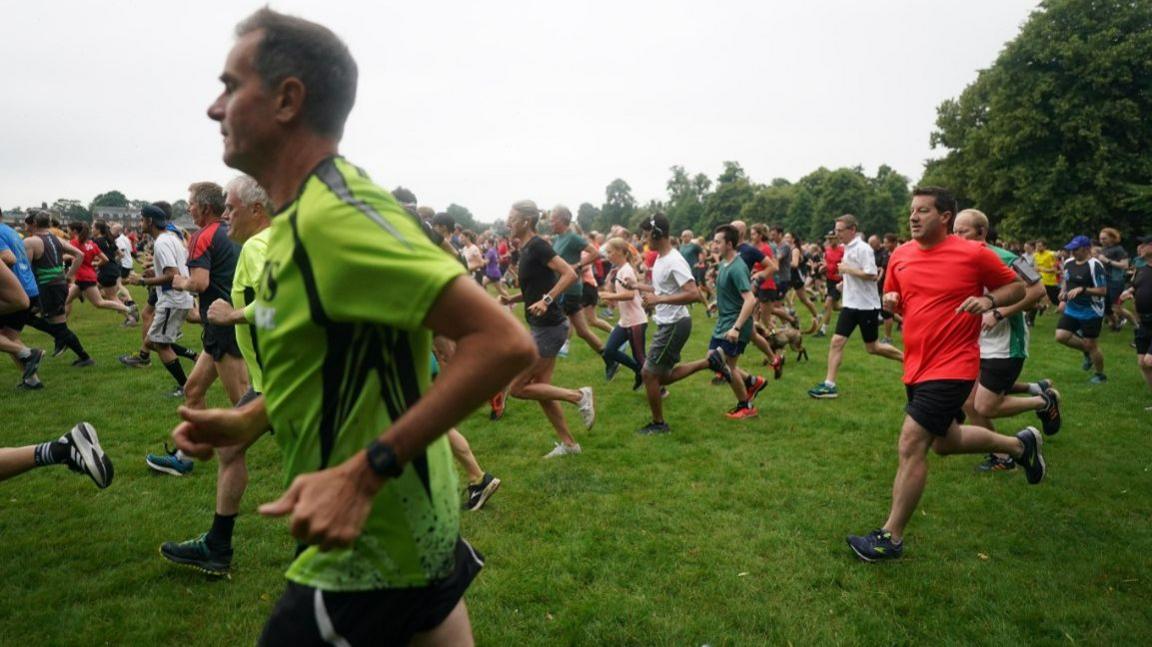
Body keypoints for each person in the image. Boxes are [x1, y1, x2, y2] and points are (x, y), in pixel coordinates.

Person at [176, 10, 535, 643]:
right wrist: (248, 419)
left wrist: (364, 471)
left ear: (288, 99)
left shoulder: (336, 219)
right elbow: (325, 350)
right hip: (409, 526)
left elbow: (503, 341)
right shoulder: (295, 222)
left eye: (232, 87)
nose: (214, 107)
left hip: (368, 545)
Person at [846, 187, 1045, 562]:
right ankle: (1019, 446)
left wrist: (988, 301)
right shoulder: (901, 255)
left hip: (954, 364)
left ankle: (891, 537)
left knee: (911, 442)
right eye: (911, 211)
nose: (914, 217)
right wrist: (891, 301)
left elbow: (1018, 286)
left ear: (945, 217)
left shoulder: (973, 253)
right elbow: (897, 296)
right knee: (945, 442)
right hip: (916, 364)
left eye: (923, 210)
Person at [157, 175, 272, 575]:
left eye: (232, 208)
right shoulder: (274, 243)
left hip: (287, 381)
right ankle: (218, 548)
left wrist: (234, 313)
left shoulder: (259, 246)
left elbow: (285, 306)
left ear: (257, 210)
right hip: (279, 380)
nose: (226, 216)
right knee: (230, 447)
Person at [146, 182, 250, 475]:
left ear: (204, 208)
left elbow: (199, 283)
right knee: (193, 390)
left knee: (241, 399)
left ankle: (293, 435)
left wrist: (178, 281)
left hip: (223, 323)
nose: (188, 207)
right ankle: (186, 456)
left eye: (191, 203)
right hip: (223, 320)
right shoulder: (233, 232)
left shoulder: (203, 235)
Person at [950, 210, 1061, 473]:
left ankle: (1043, 401)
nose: (956, 237)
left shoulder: (1008, 258)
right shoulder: (956, 259)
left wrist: (1000, 312)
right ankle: (1002, 455)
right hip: (973, 343)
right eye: (954, 231)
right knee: (967, 402)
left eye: (962, 231)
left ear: (981, 233)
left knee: (986, 406)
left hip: (1005, 343)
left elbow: (1038, 290)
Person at [500, 200, 595, 457]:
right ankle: (570, 444)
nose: (507, 222)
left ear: (526, 221)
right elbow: (536, 287)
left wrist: (547, 300)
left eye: (511, 217)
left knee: (518, 388)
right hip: (542, 325)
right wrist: (514, 298)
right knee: (542, 388)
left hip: (550, 327)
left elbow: (569, 274)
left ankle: (578, 396)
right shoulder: (527, 248)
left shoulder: (539, 245)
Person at [629, 213, 720, 435]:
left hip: (675, 324)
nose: (643, 238)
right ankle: (710, 362)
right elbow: (663, 290)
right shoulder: (660, 258)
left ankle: (659, 424)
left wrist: (658, 300)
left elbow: (693, 293)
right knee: (663, 376)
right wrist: (638, 286)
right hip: (669, 323)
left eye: (645, 233)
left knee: (649, 374)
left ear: (657, 233)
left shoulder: (674, 260)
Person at [808, 215, 903, 399]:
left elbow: (871, 274)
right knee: (836, 342)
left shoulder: (863, 248)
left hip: (866, 306)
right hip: (850, 304)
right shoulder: (847, 248)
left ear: (852, 230)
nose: (837, 234)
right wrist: (844, 283)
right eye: (835, 231)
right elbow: (854, 273)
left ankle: (909, 361)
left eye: (840, 231)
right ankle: (829, 385)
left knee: (873, 347)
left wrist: (847, 270)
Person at [707, 225, 769, 419]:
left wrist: (736, 328)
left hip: (735, 324)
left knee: (727, 366)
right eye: (714, 241)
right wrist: (718, 303)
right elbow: (731, 292)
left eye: (718, 241)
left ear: (729, 244)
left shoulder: (737, 267)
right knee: (713, 359)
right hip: (724, 321)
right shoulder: (724, 264)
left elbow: (750, 299)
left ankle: (746, 406)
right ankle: (752, 381)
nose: (714, 245)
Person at [23, 211, 92, 367]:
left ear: (33, 223)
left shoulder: (31, 242)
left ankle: (83, 355)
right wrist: (68, 276)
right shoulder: (57, 239)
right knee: (44, 320)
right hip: (60, 285)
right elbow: (79, 255)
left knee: (48, 323)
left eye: (27, 223)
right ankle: (73, 349)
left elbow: (25, 269)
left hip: (47, 287)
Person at [549, 205, 604, 357]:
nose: (550, 223)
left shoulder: (572, 237)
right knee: (583, 331)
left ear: (561, 220)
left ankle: (551, 354)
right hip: (565, 288)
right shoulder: (558, 239)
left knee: (553, 324)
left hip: (569, 289)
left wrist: (577, 265)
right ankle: (610, 357)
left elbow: (595, 253)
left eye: (552, 220)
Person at [1054, 235, 1108, 383]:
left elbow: (1103, 291)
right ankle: (1087, 352)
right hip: (1072, 308)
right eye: (1071, 249)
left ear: (1086, 249)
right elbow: (1067, 280)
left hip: (1091, 311)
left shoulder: (1095, 265)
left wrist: (1083, 290)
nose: (1072, 252)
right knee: (1061, 336)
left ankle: (1100, 375)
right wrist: (1063, 293)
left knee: (1092, 344)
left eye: (1076, 249)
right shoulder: (1069, 262)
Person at [0, 216, 45, 388]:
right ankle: (32, 381)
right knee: (9, 338)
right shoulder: (10, 231)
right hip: (29, 287)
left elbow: (8, 258)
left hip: (15, 291)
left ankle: (28, 353)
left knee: (8, 339)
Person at [64, 221, 137, 325]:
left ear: (74, 231)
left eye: (68, 230)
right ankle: (59, 324)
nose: (67, 232)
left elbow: (70, 255)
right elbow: (109, 258)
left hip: (90, 277)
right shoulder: (93, 243)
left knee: (100, 302)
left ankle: (128, 310)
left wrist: (92, 264)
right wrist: (94, 264)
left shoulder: (77, 243)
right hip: (98, 274)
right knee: (66, 300)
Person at [598, 237, 648, 389]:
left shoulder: (626, 270)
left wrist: (610, 296)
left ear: (620, 252)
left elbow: (630, 295)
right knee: (609, 351)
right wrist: (611, 297)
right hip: (625, 321)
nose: (607, 255)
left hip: (636, 321)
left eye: (610, 252)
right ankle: (639, 372)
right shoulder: (619, 270)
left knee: (640, 357)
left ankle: (659, 388)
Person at [1120, 236, 1152, 406]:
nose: (1140, 247)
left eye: (1144, 244)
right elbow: (1135, 285)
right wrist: (1128, 292)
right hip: (1144, 323)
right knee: (1143, 363)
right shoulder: (1141, 269)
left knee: (1149, 361)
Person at [1097, 228, 1133, 330]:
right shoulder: (1104, 249)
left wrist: (1107, 261)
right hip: (1105, 281)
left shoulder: (1119, 249)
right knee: (1105, 305)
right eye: (1100, 239)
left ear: (1113, 238)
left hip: (1116, 281)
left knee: (1114, 306)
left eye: (1104, 238)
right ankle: (1116, 322)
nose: (1102, 241)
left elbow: (1125, 265)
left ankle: (1135, 324)